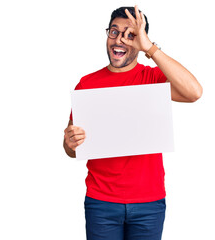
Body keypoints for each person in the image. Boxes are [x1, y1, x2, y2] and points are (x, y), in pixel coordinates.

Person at [63, 5, 202, 240]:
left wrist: (150, 48)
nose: (119, 40)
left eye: (131, 35)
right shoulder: (87, 84)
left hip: (149, 203)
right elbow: (71, 149)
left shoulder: (152, 79)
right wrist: (69, 143)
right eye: (114, 32)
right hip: (101, 202)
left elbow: (193, 92)